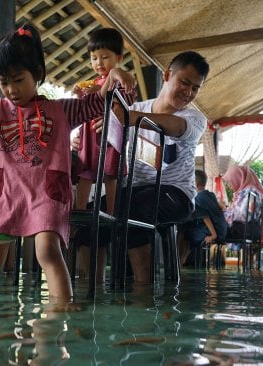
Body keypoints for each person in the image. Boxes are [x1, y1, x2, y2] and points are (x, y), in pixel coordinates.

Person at [0, 24, 135, 303]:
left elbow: (102, 100)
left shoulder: (64, 110)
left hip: (46, 194)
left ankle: (61, 312)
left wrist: (114, 73)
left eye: (18, 80)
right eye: (4, 82)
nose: (11, 90)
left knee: (48, 252)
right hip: (3, 195)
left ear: (38, 75)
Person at [79, 50, 210, 284]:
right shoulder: (138, 107)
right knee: (92, 216)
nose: (188, 92)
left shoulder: (194, 118)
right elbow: (108, 138)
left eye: (195, 88)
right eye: (185, 82)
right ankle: (93, 289)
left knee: (133, 208)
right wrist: (86, 137)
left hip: (176, 194)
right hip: (135, 188)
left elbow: (176, 127)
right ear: (167, 75)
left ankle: (143, 291)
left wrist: (129, 118)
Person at [72, 28, 127, 280]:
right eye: (94, 58)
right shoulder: (91, 84)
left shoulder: (122, 80)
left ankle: (113, 213)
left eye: (105, 57)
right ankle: (79, 213)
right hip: (88, 136)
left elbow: (126, 107)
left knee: (110, 173)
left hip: (110, 138)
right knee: (84, 172)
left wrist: (115, 76)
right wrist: (79, 95)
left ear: (119, 57)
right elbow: (81, 109)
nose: (99, 63)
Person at [180, 169, 227, 267]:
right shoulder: (211, 195)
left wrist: (213, 235)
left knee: (185, 232)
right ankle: (184, 259)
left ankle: (182, 260)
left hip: (213, 231)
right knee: (189, 228)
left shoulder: (197, 198)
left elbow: (204, 216)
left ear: (195, 183)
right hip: (222, 230)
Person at [222, 165, 263, 242]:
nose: (229, 186)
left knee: (210, 226)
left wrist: (223, 210)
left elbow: (242, 215)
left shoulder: (249, 192)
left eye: (230, 181)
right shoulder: (253, 191)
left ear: (238, 178)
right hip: (252, 230)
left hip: (243, 231)